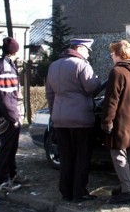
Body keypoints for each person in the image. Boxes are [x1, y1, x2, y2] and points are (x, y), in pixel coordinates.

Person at [45, 38, 101, 202]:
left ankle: (66, 191)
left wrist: (54, 113)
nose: (88, 54)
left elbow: (49, 94)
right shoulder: (81, 65)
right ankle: (79, 192)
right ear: (79, 48)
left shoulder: (54, 65)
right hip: (80, 118)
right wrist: (97, 80)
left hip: (60, 119)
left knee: (66, 156)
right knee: (82, 156)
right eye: (87, 51)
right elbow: (91, 87)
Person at [100, 40, 130, 204]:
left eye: (113, 53)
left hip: (120, 120)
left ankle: (127, 191)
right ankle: (127, 185)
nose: (112, 56)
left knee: (119, 155)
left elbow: (112, 100)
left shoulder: (118, 72)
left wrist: (107, 122)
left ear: (119, 55)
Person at [0, 36, 25, 192]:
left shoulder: (2, 65)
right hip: (6, 116)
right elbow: (6, 97)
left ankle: (11, 175)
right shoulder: (5, 68)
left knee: (10, 146)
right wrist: (14, 117)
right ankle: (3, 180)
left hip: (4, 114)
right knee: (7, 147)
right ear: (14, 51)